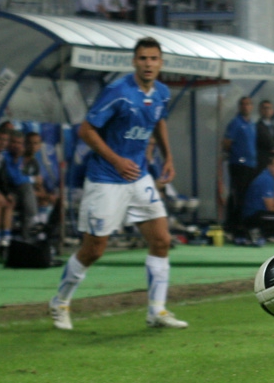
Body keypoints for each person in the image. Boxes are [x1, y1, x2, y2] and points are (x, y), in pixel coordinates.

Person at [48, 37, 186, 331]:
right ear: (134, 62)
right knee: (94, 249)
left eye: (153, 59)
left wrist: (168, 156)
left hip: (139, 176)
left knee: (161, 240)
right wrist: (116, 160)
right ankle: (59, 302)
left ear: (161, 63)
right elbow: (86, 130)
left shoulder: (161, 92)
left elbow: (159, 120)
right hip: (107, 178)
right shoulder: (118, 92)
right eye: (143, 59)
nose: (148, 64)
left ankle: (157, 311)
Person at [223, 97, 257, 239]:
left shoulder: (252, 124)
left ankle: (242, 224)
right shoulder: (235, 123)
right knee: (237, 195)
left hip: (251, 165)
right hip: (239, 165)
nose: (246, 107)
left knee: (246, 196)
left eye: (248, 104)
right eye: (243, 104)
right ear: (239, 107)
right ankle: (233, 226)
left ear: (252, 106)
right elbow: (226, 143)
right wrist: (238, 155)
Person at [241, 159, 274, 245]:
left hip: (255, 215)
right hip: (253, 216)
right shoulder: (266, 179)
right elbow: (270, 207)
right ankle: (262, 234)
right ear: (270, 166)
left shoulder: (269, 178)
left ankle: (261, 234)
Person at [254, 99, 274, 173]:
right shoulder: (256, 127)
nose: (267, 110)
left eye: (269, 108)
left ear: (272, 111)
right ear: (260, 110)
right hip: (263, 162)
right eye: (264, 108)